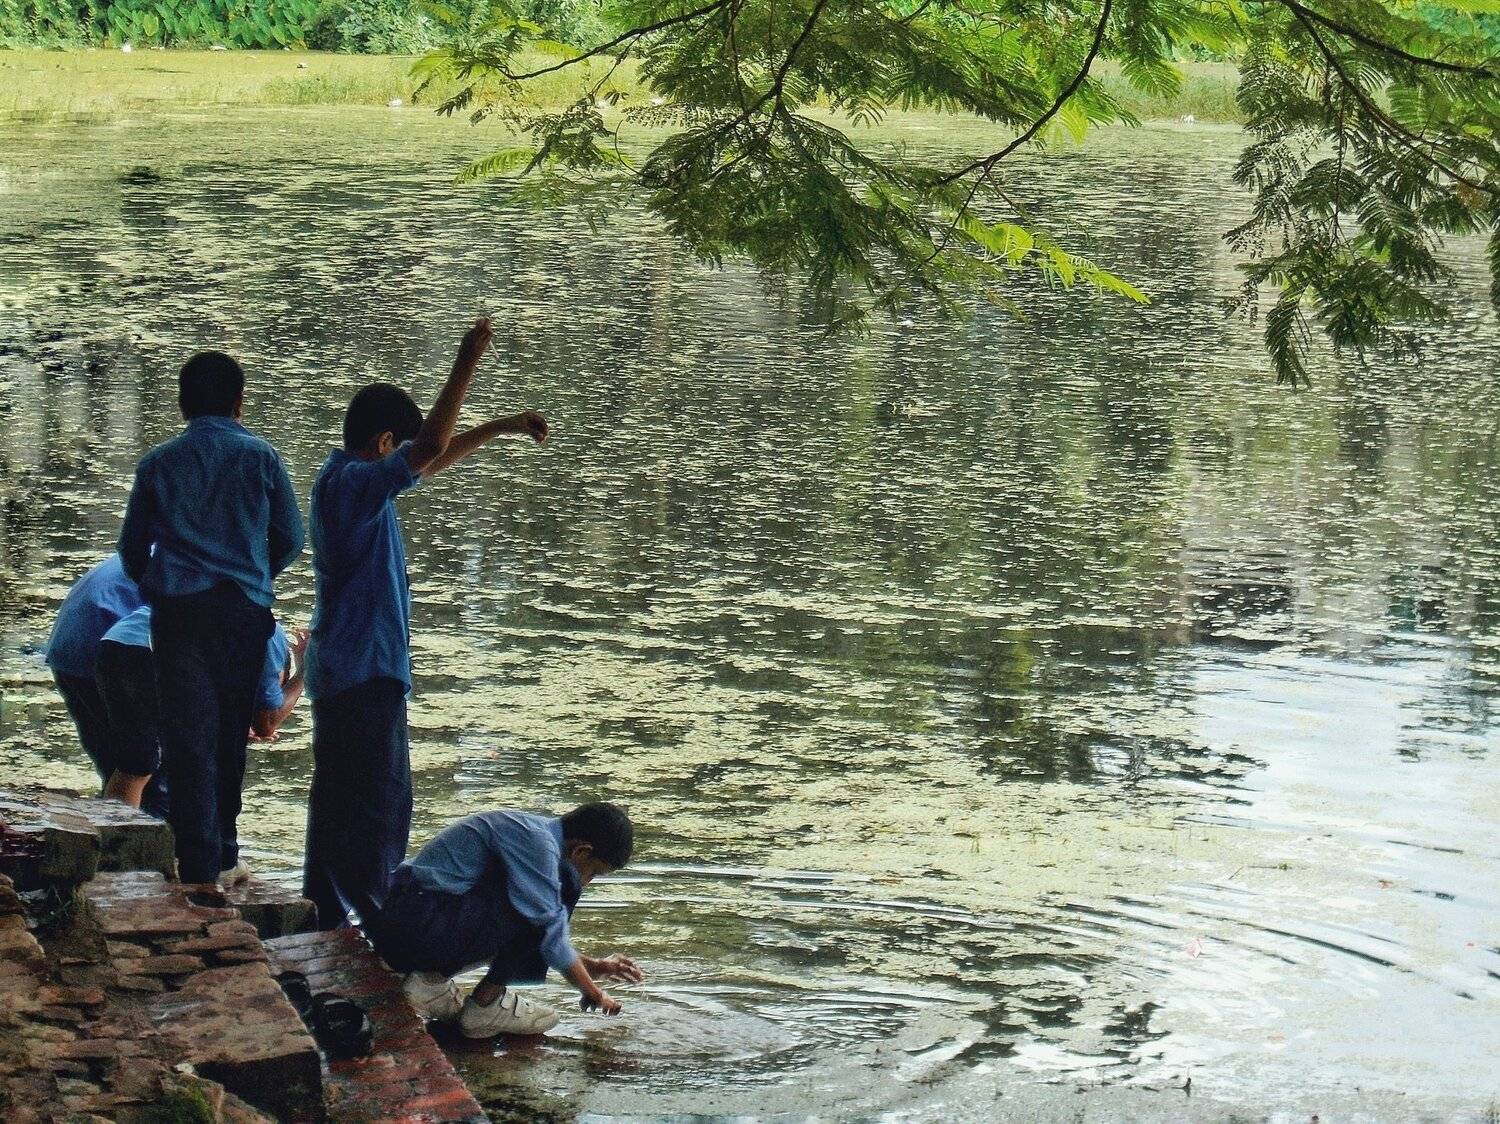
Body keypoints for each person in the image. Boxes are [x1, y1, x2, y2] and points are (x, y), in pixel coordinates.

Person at [302, 317, 549, 929]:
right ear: (385, 442)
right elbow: (429, 451)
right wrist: (467, 359)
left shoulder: (346, 482)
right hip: (364, 670)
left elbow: (428, 461)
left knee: (336, 805)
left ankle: (323, 918)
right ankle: (380, 929)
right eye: (402, 450)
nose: (411, 466)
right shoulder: (353, 489)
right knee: (379, 808)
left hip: (343, 669)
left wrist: (499, 427)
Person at [118, 351, 305, 885]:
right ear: (239, 403)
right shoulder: (262, 457)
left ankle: (197, 861)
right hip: (243, 613)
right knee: (228, 736)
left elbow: (132, 549)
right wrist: (254, 576)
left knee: (187, 739)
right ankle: (223, 852)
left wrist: (157, 584)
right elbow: (291, 537)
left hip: (179, 614)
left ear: (182, 404)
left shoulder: (158, 463)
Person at [375, 802, 643, 1037]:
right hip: (417, 923)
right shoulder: (539, 845)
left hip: (413, 920)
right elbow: (550, 933)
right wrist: (593, 993)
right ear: (581, 851)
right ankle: (486, 1004)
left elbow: (539, 936)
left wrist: (590, 966)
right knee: (564, 886)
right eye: (593, 872)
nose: (588, 882)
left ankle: (429, 982)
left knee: (540, 902)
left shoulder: (535, 832)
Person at [95, 606, 309, 850]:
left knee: (144, 761)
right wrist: (304, 674)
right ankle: (117, 851)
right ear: (281, 672)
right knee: (139, 765)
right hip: (144, 650)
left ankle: (129, 844)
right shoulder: (269, 639)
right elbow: (267, 722)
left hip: (116, 642)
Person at [43, 554, 146, 796]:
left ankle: (115, 816)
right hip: (109, 645)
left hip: (71, 641)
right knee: (147, 772)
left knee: (118, 765)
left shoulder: (188, 546)